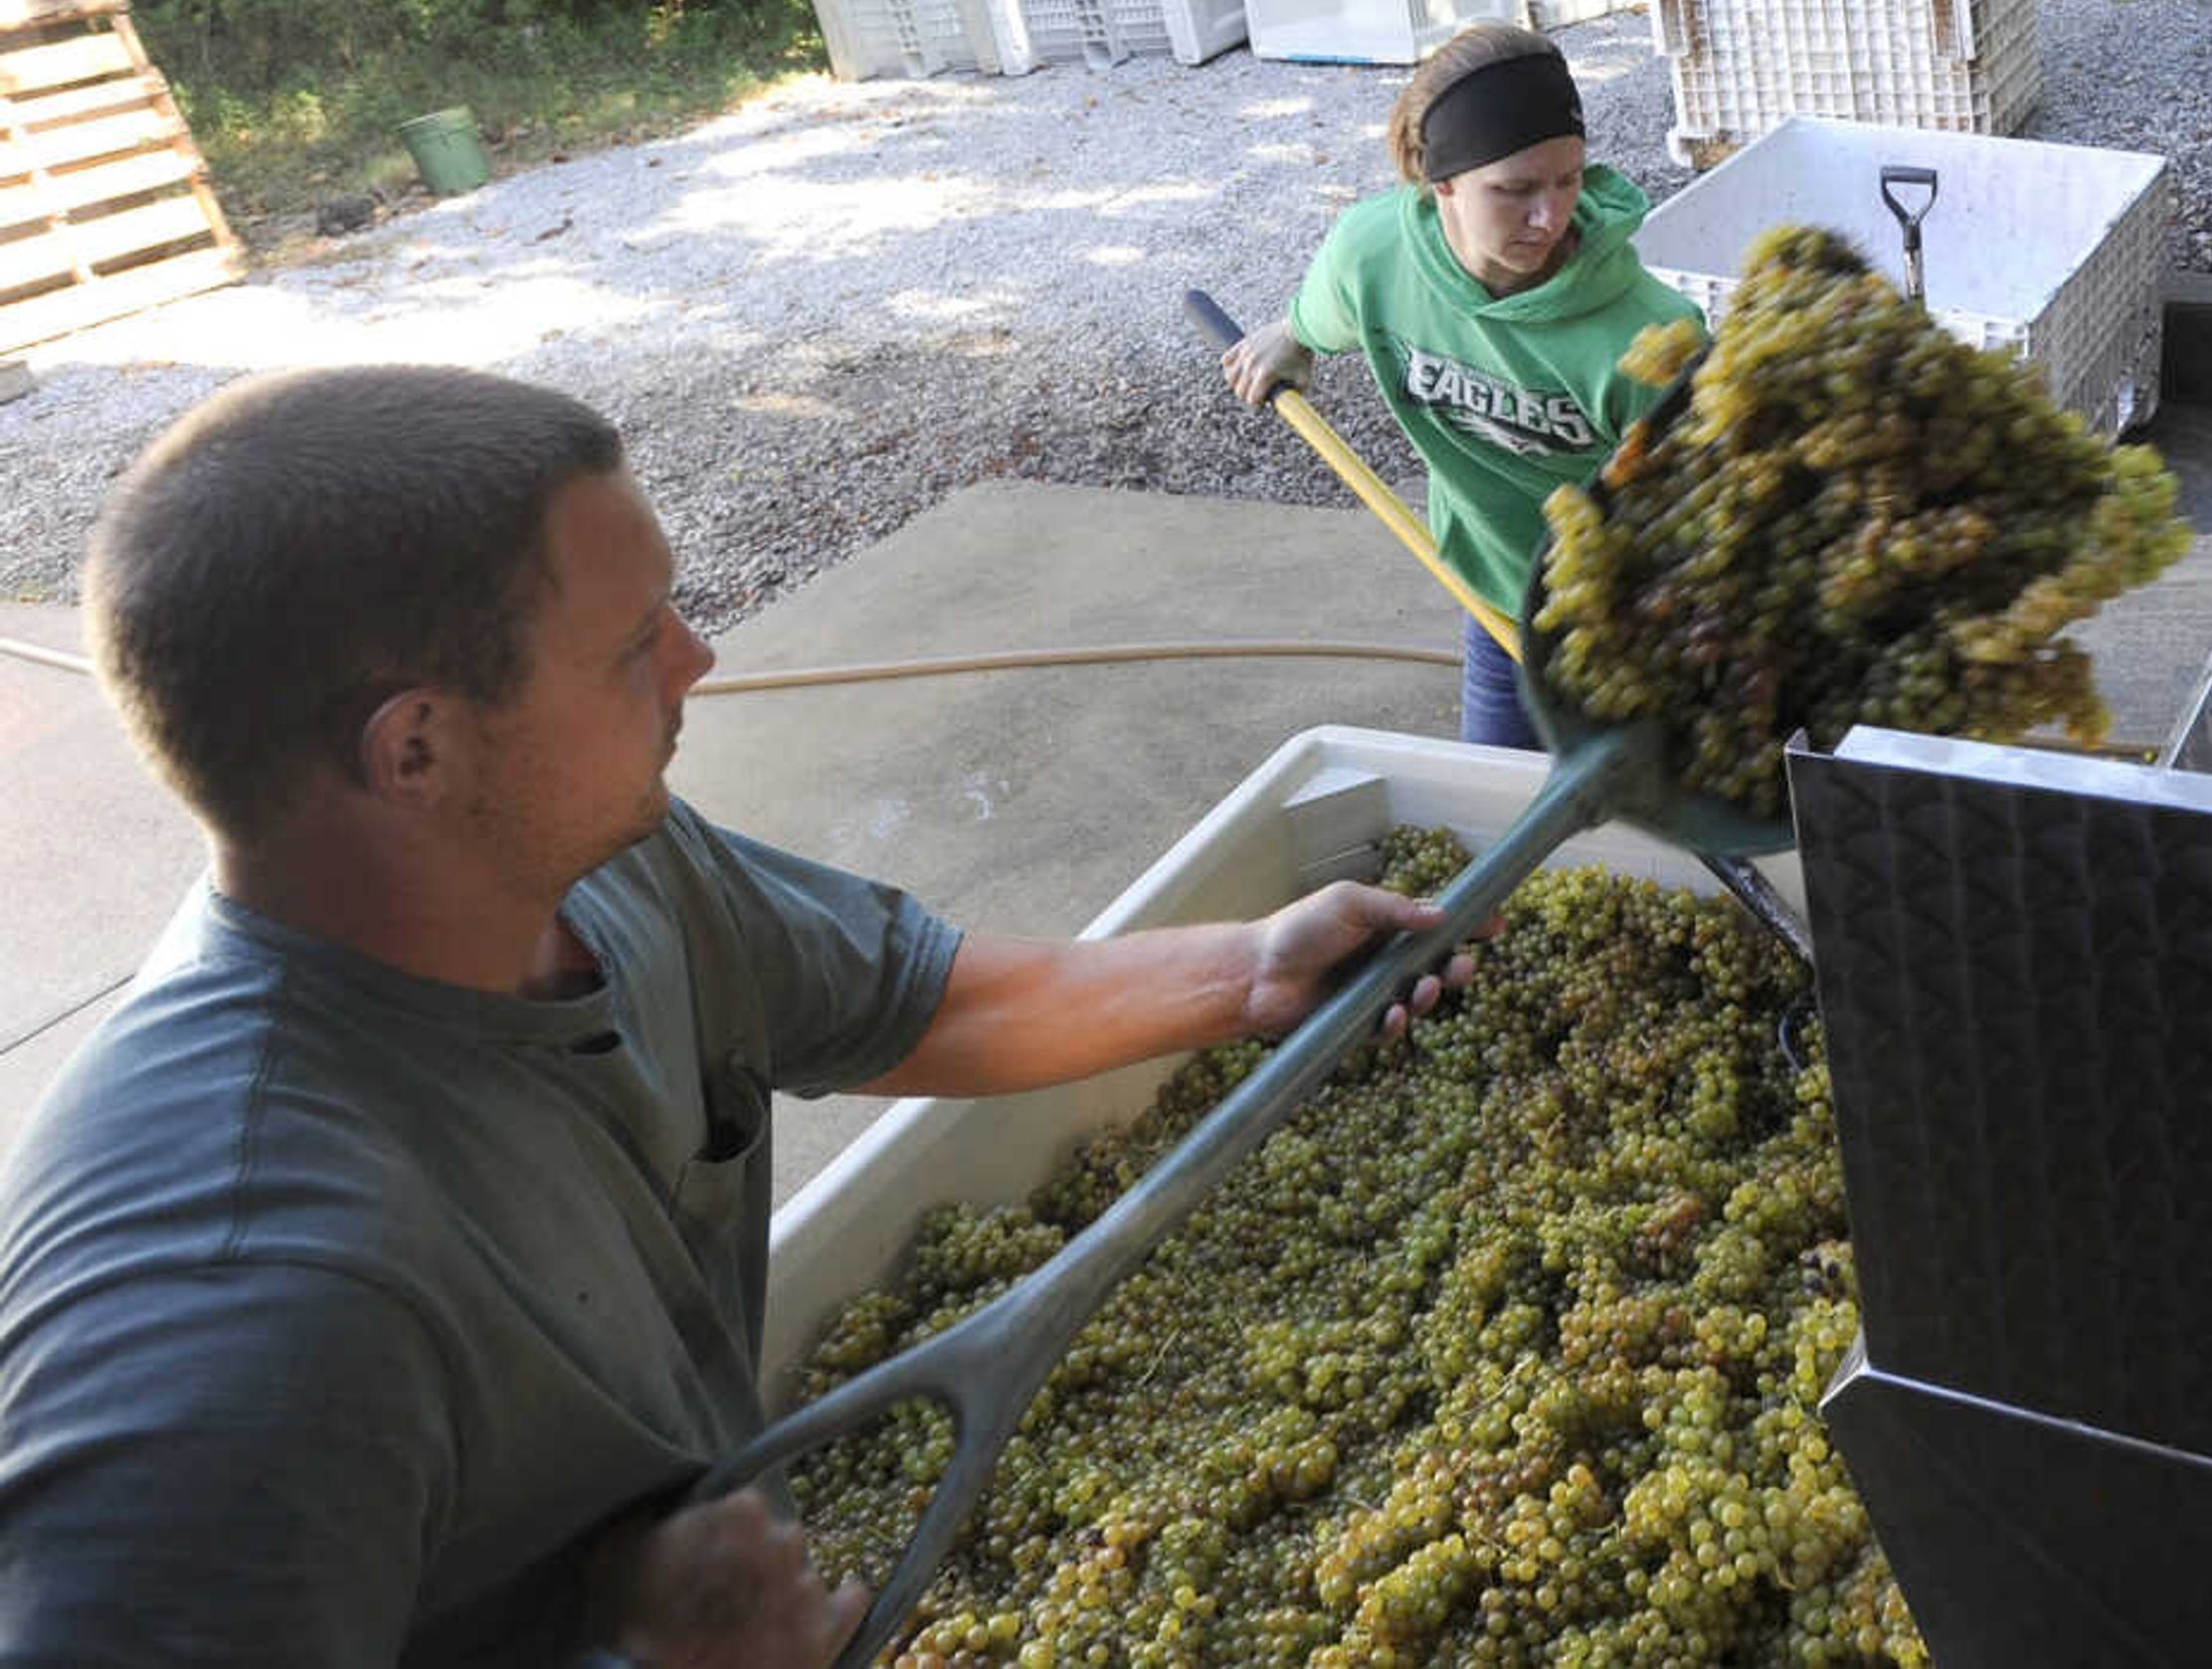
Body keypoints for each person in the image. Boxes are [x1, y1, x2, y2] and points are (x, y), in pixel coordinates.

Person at [0, 366, 1481, 1666]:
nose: (701, 656)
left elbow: (920, 999)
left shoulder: (599, 861)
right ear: (417, 748)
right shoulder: (237, 1306)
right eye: (635, 636)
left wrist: (1251, 972)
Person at [1221, 25, 1697, 750]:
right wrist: (1291, 335)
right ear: (1439, 180)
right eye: (1515, 190)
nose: (1550, 215)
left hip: (1633, 628)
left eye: (1568, 179)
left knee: (1642, 851)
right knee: (1494, 812)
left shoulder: (1648, 340)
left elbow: (1706, 528)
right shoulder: (1370, 258)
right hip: (1495, 602)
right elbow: (1320, 316)